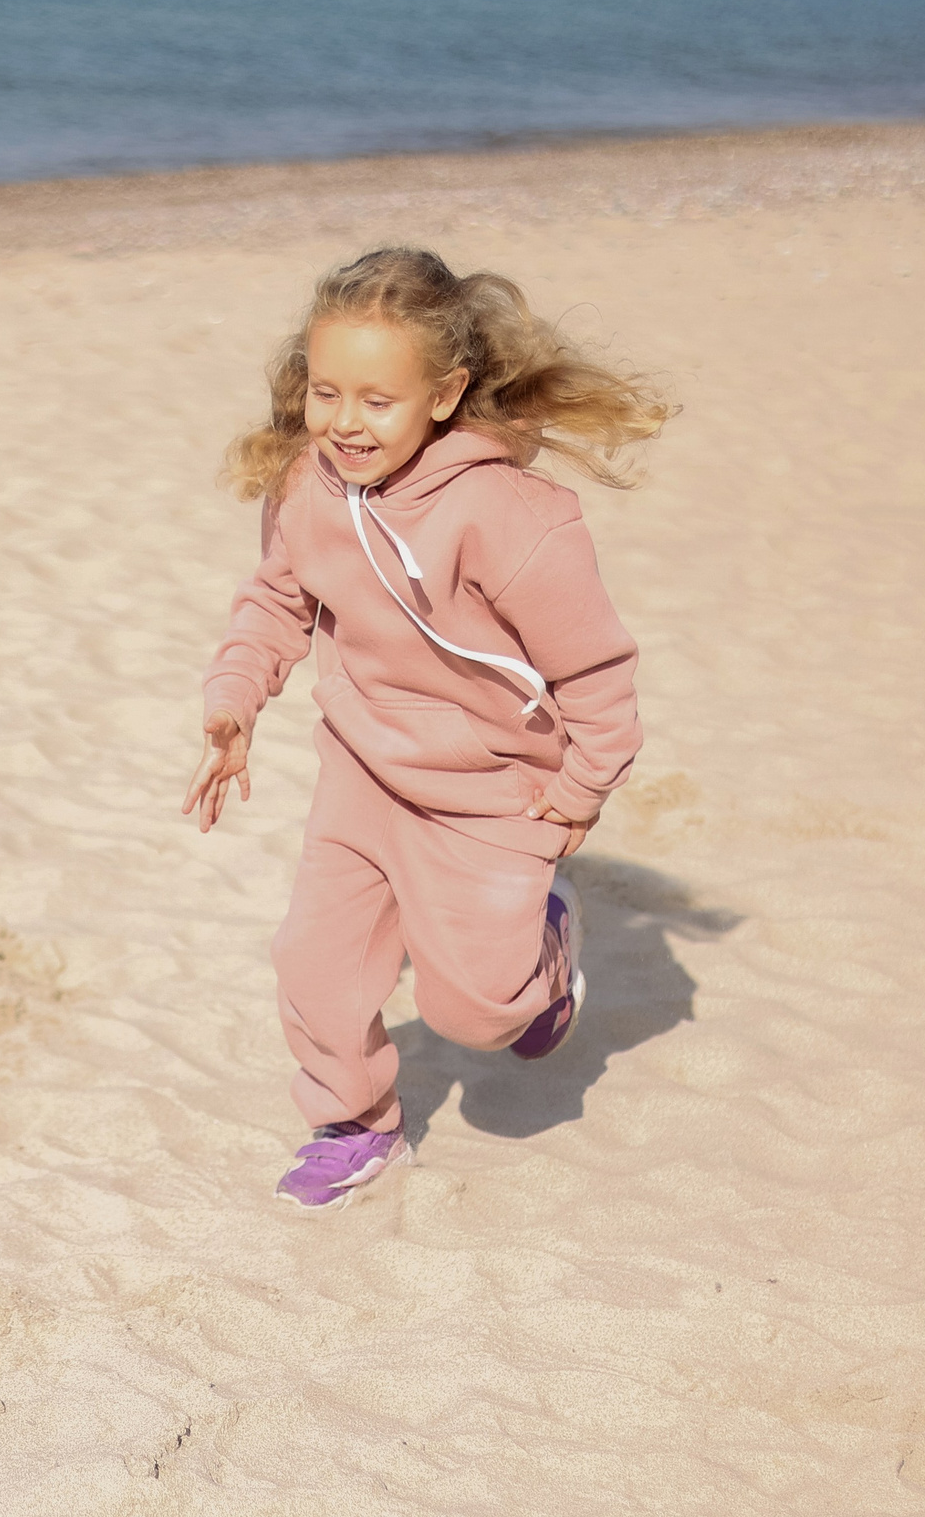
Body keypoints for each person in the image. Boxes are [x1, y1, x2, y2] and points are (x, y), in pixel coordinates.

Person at [183, 246, 672, 1211]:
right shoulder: (307, 486)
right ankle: (354, 1124)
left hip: (495, 788)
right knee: (312, 961)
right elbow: (278, 601)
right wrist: (236, 696)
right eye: (327, 392)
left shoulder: (511, 515)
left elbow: (597, 671)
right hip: (363, 768)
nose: (344, 423)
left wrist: (582, 787)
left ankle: (549, 937)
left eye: (377, 400)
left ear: (445, 394)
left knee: (480, 1013)